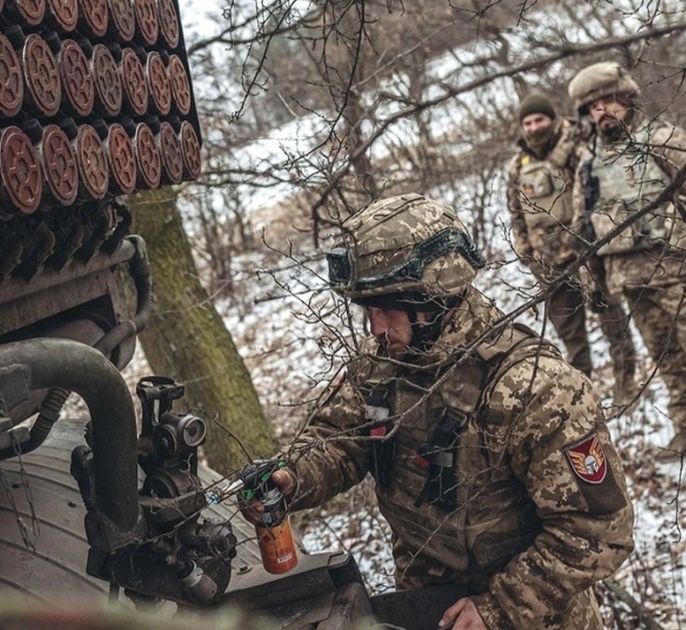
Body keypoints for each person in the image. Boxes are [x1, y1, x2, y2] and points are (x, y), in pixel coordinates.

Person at [253, 194, 634, 629]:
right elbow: (340, 440)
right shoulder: (382, 361)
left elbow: (599, 530)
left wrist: (496, 608)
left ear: (434, 299)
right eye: (368, 310)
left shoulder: (537, 389)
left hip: (531, 614)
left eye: (387, 309)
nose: (375, 327)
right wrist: (292, 476)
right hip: (425, 603)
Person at [567, 62, 686, 465]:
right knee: (666, 360)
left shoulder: (663, 140)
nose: (602, 112)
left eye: (608, 101)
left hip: (675, 272)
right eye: (593, 106)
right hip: (628, 279)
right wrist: (592, 284)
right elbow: (585, 230)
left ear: (626, 98)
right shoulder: (589, 164)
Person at [506, 91, 639, 408]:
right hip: (547, 262)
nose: (535, 127)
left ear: (552, 119)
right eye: (528, 122)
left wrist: (595, 241)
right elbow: (516, 212)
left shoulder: (577, 145)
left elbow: (595, 191)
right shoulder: (517, 164)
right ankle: (585, 393)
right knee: (570, 335)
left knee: (612, 321)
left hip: (587, 254)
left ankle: (627, 384)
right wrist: (527, 254)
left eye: (540, 119)